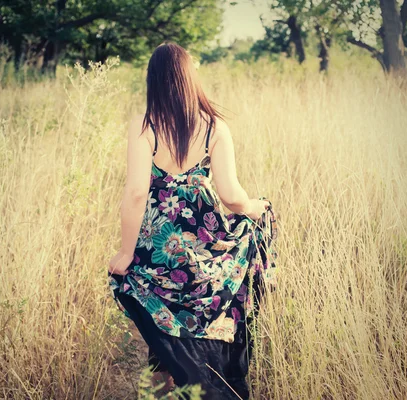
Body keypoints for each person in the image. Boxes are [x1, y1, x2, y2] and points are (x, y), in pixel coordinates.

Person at [107, 42, 278, 399]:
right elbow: (231, 195)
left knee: (161, 333)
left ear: (153, 81)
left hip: (158, 252)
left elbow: (137, 193)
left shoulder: (146, 125)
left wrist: (126, 253)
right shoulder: (215, 127)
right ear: (190, 77)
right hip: (202, 249)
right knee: (208, 324)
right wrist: (254, 207)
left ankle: (162, 392)